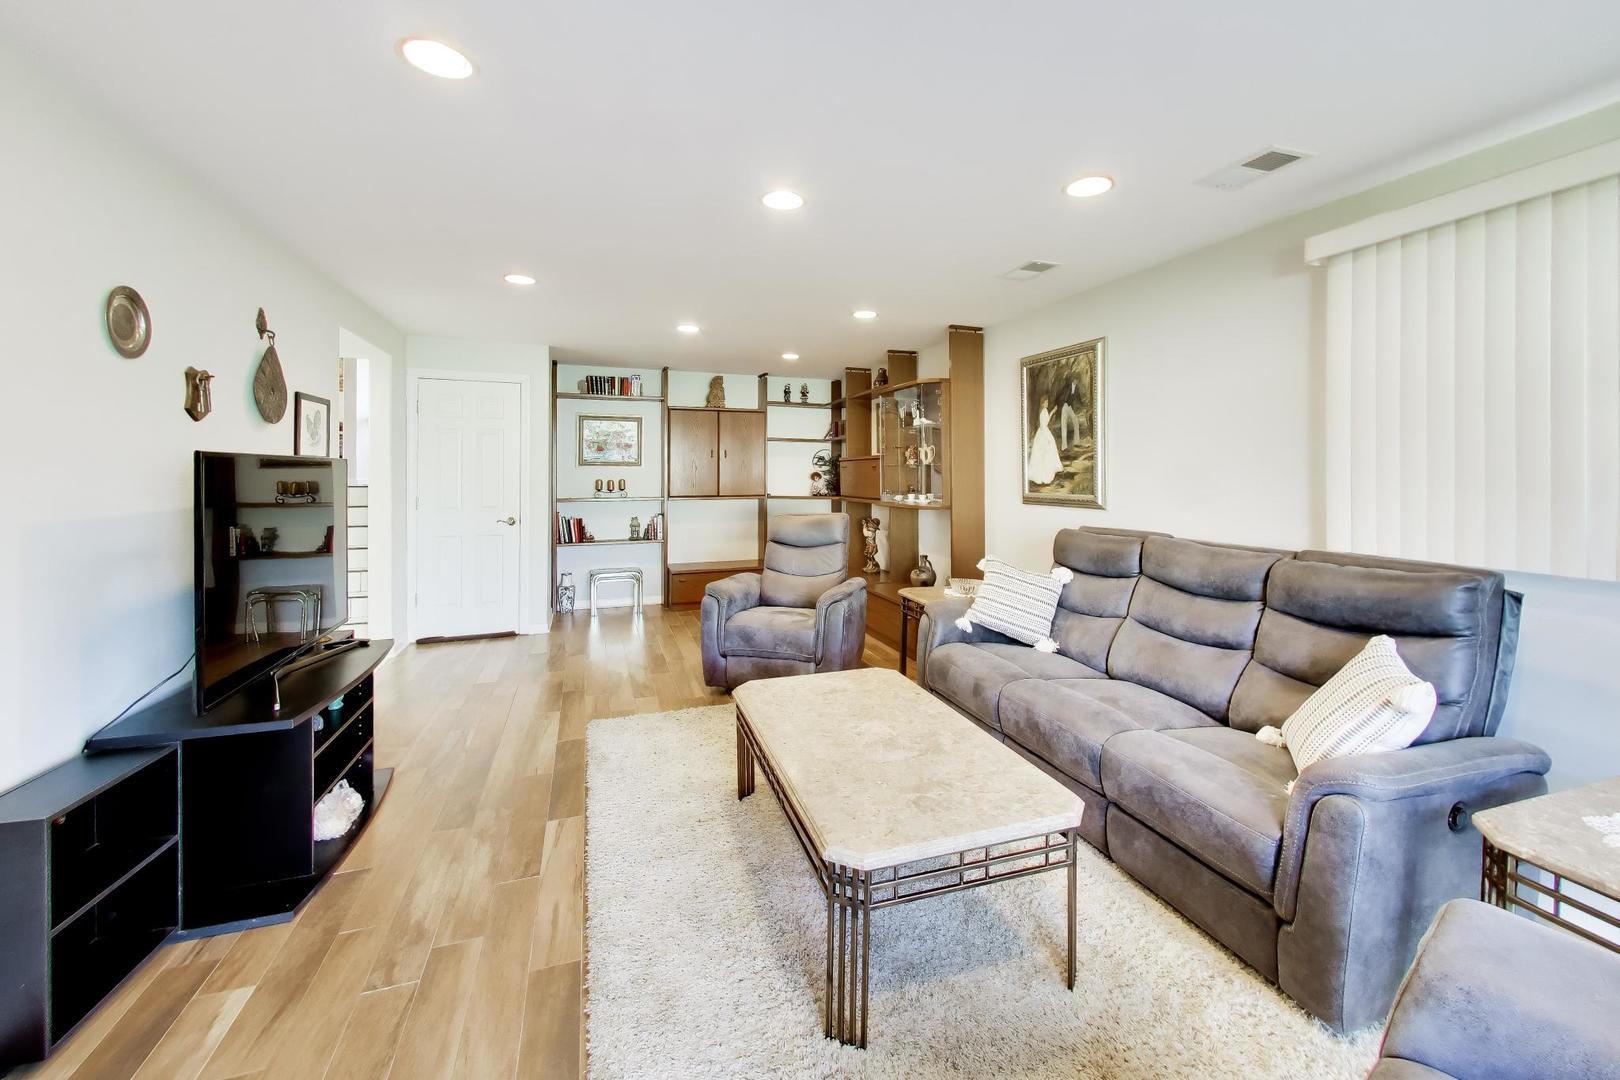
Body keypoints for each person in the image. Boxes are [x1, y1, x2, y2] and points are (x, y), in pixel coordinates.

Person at [1026, 396, 1063, 485]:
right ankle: (1044, 473)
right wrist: (1046, 437)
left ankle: (1049, 469)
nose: (1047, 403)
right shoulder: (1042, 412)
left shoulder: (1045, 411)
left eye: (1047, 402)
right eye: (1046, 402)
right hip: (1043, 432)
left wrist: (1053, 411)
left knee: (1049, 450)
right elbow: (1043, 425)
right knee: (1044, 452)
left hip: (1044, 431)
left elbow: (1047, 420)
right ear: (1042, 403)